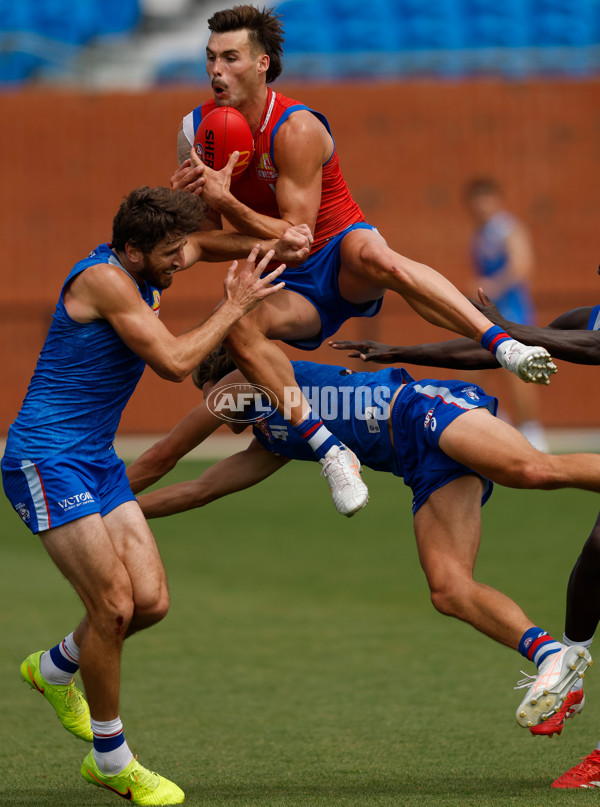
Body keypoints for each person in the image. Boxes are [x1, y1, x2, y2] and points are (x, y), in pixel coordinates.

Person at [170, 4, 556, 518]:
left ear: (262, 63)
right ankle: (330, 451)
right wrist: (195, 233)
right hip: (291, 285)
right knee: (236, 321)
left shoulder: (296, 128)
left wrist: (228, 204)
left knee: (377, 255)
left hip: (338, 253)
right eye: (210, 58)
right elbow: (206, 244)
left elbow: (302, 238)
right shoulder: (195, 135)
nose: (216, 70)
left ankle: (502, 344)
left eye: (231, 58)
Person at [124, 347, 600, 742]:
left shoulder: (244, 377)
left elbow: (166, 455)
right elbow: (200, 489)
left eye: (205, 394)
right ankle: (552, 656)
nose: (212, 407)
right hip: (419, 465)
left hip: (422, 410)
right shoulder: (273, 438)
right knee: (449, 589)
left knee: (531, 470)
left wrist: (93, 503)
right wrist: (120, 513)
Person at [1, 185, 297, 806]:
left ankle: (55, 668)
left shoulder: (147, 258)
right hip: (46, 459)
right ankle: (111, 759)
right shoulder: (108, 282)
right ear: (133, 250)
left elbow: (206, 243)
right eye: (169, 253)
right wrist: (236, 302)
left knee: (151, 602)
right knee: (112, 606)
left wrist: (275, 244)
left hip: (95, 461)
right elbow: (173, 360)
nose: (179, 260)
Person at [330, 282, 600, 788]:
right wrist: (403, 351)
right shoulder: (591, 316)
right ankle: (569, 670)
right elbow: (491, 351)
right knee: (598, 552)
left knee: (554, 494)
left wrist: (507, 331)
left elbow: (590, 349)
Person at [464, 177, 547, 451]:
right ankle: (502, 422)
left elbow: (522, 264)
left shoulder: (507, 229)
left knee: (519, 370)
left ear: (495, 200)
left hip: (514, 312)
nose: (481, 207)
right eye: (475, 201)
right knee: (481, 367)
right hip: (490, 314)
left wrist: (493, 285)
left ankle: (532, 429)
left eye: (485, 200)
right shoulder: (478, 236)